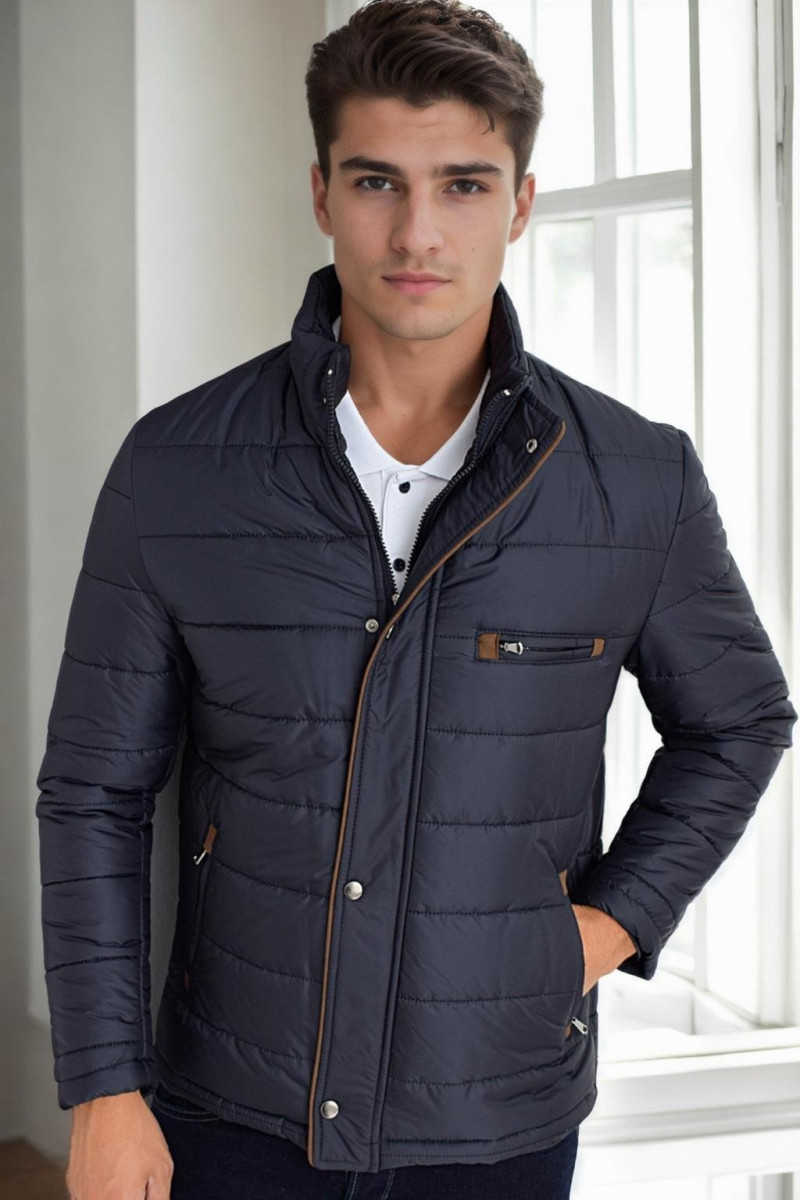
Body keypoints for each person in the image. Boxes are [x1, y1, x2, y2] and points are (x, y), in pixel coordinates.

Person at [35, 1, 797, 1197]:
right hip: (227, 1107)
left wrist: (597, 932)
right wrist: (103, 1088)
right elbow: (94, 792)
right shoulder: (178, 469)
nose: (416, 232)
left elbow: (739, 721)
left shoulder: (634, 479)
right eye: (376, 181)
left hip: (497, 1115)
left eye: (463, 185)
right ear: (321, 194)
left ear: (520, 205)